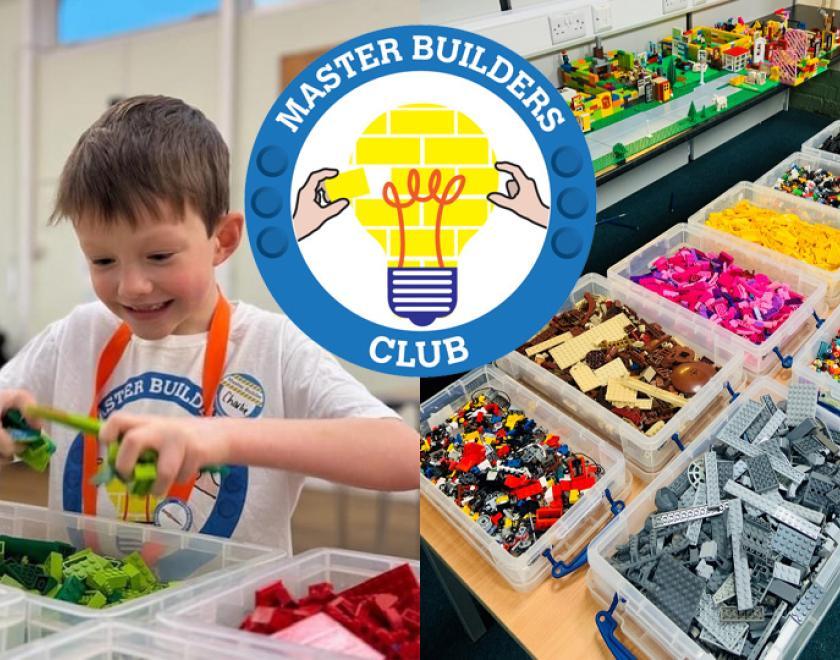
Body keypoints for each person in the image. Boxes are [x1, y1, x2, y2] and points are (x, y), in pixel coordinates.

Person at [0, 95, 417, 552]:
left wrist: (221, 436)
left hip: (231, 618)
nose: (131, 286)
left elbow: (404, 455)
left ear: (222, 240)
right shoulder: (77, 337)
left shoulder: (270, 346)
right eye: (102, 260)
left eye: (159, 256)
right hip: (92, 617)